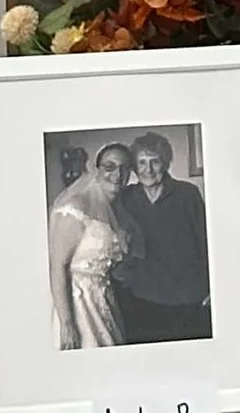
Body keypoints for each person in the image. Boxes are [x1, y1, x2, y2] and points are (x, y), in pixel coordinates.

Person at [112, 131, 211, 344]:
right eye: (142, 162)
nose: (148, 170)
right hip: (141, 298)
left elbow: (205, 241)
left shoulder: (187, 193)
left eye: (154, 162)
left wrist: (212, 286)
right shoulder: (126, 197)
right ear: (135, 167)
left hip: (186, 296)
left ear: (165, 163)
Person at [47, 141, 139, 349]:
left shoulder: (120, 213)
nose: (117, 173)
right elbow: (57, 267)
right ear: (97, 171)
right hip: (75, 301)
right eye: (110, 166)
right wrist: (67, 323)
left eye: (124, 168)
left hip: (104, 298)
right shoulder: (75, 208)